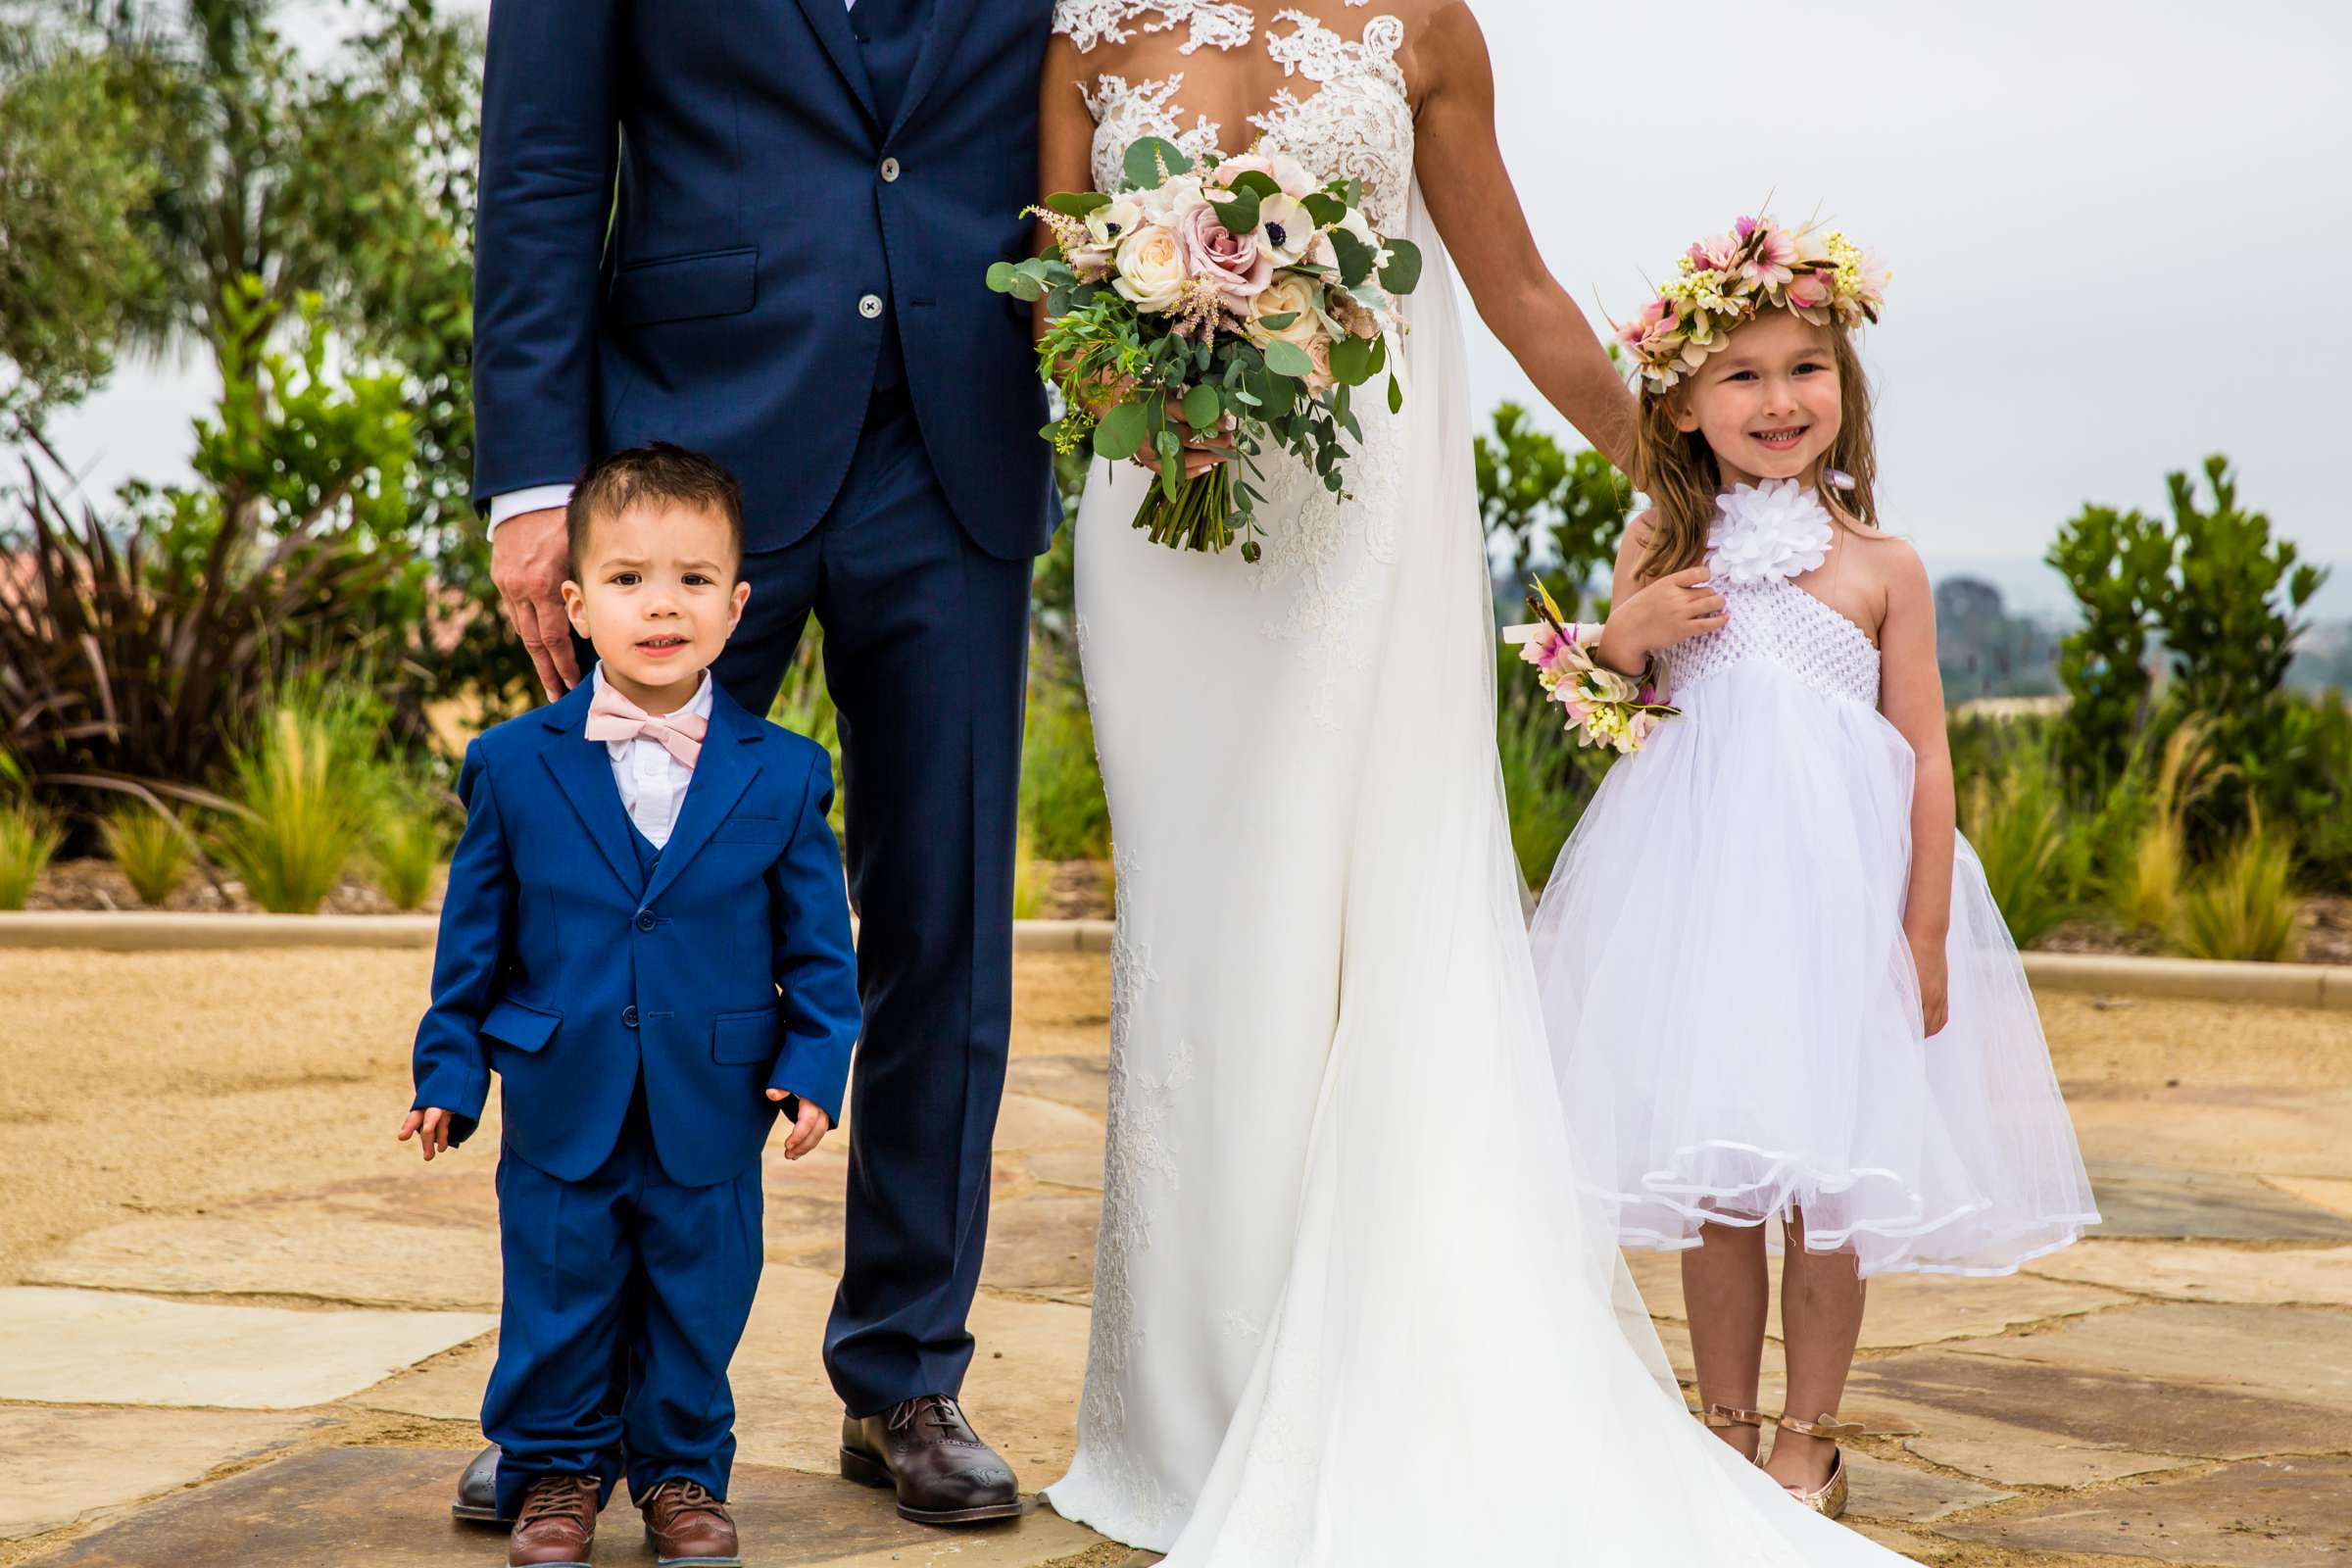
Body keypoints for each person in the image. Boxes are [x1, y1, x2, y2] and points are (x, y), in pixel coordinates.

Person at [1034, 2, 1926, 1560]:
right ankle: (1191, 1398)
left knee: (1375, 899)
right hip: (1156, 515)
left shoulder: (1421, 23)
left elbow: (1515, 293)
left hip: (1358, 525)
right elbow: (1047, 286)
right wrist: (1144, 357)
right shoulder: (1085, 27)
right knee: (1198, 927)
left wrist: (1692, 489)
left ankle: (1377, 1357)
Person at [465, 0, 1056, 1528]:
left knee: (946, 937)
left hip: (957, 444)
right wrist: (537, 480)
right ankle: (567, 1404)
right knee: (599, 930)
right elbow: (539, 166)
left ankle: (905, 1374)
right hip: (686, 470)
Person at [1533, 214, 2099, 1517]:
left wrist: (1926, 930)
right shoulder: (1657, 550)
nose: (1779, 399)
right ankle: (1720, 1426)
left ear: (1845, 390)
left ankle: (1808, 1433)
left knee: (1830, 1183)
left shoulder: (1884, 568)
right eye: (1741, 374)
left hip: (1842, 916)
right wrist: (1628, 633)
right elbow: (1614, 714)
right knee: (1719, 1181)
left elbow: (1928, 760)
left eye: (1807, 369)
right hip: (1698, 906)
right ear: (1680, 406)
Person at [403, 445, 862, 1568]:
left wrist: (814, 1062)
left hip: (713, 1100)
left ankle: (680, 1475)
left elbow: (819, 950)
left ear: (739, 605)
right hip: (562, 1094)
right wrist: (448, 1074)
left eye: (695, 580)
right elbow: (474, 944)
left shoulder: (786, 773)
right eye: (628, 580)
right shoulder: (511, 766)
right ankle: (555, 1471)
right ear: (574, 603)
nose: (663, 603)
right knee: (558, 1287)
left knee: (696, 1297)